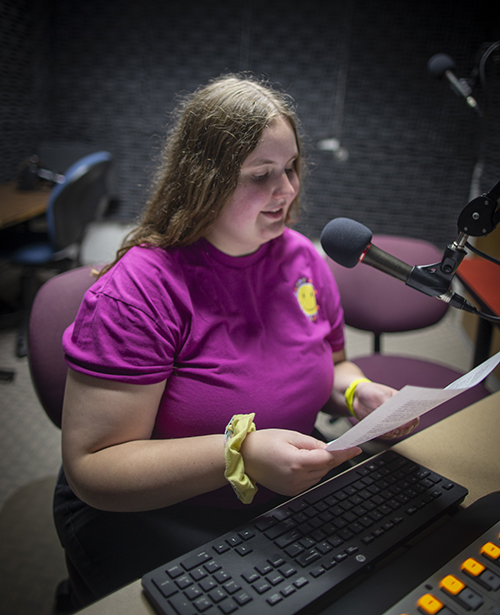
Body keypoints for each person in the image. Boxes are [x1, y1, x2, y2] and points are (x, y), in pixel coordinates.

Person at [54, 74, 418, 606]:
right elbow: (94, 468)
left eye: (291, 167)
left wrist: (356, 391)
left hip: (278, 493)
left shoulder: (300, 258)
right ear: (204, 180)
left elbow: (333, 365)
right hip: (162, 512)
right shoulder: (141, 289)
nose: (288, 189)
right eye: (261, 175)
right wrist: (239, 454)